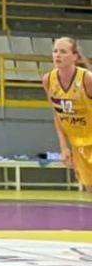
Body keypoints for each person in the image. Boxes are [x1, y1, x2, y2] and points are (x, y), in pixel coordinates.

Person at [43, 37, 92, 192]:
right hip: (77, 144)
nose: (58, 55)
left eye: (63, 52)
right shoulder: (48, 80)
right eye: (55, 51)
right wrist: (64, 147)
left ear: (74, 57)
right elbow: (58, 116)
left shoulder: (87, 79)